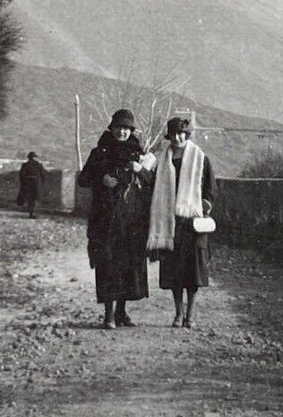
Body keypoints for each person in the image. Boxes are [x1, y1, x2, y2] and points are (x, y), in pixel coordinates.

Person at [76, 108, 154, 328]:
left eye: (127, 128)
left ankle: (122, 312)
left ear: (131, 131)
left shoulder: (139, 154)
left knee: (129, 265)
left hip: (132, 221)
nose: (122, 132)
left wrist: (142, 170)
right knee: (108, 263)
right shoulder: (99, 152)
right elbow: (83, 179)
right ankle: (108, 314)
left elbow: (151, 182)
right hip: (105, 219)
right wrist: (102, 179)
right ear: (111, 129)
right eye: (119, 128)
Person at [147, 116, 215, 328]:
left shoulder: (200, 158)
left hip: (192, 222)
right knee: (174, 271)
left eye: (182, 133)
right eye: (174, 134)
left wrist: (204, 204)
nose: (178, 137)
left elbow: (210, 188)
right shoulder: (163, 160)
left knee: (192, 271)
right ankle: (178, 313)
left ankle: (191, 315)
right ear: (169, 136)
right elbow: (152, 187)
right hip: (170, 222)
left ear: (187, 135)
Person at [16, 151, 47, 218]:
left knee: (30, 199)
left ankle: (31, 212)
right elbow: (43, 175)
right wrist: (42, 183)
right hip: (36, 184)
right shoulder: (38, 165)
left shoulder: (25, 165)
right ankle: (32, 213)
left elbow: (21, 175)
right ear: (34, 157)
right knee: (34, 198)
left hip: (27, 183)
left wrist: (23, 183)